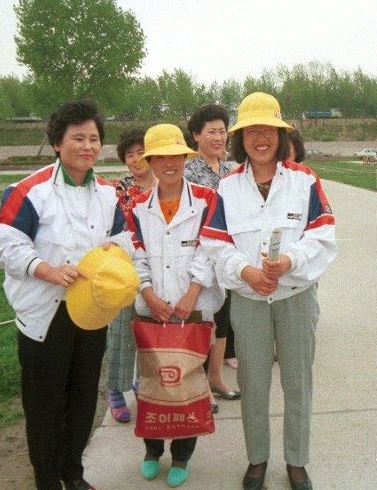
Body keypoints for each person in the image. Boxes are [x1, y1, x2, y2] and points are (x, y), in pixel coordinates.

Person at [0, 100, 133, 490]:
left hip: (90, 311)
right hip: (44, 314)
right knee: (44, 403)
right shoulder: (29, 191)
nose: (87, 146)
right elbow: (7, 246)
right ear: (57, 142)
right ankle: (47, 479)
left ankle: (74, 471)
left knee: (84, 394)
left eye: (94, 139)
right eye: (77, 138)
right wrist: (47, 269)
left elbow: (123, 238)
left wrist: (115, 251)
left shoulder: (107, 193)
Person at [202, 92, 337, 490]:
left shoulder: (304, 179)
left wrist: (289, 261)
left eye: (269, 130)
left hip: (295, 297)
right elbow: (214, 242)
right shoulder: (226, 186)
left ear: (281, 135)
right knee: (254, 385)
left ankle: (297, 462)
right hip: (248, 301)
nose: (260, 137)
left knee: (298, 384)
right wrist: (245, 270)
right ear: (240, 138)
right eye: (251, 130)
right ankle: (257, 459)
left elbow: (323, 234)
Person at [127, 123, 223, 488]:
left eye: (175, 156)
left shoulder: (206, 199)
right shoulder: (136, 205)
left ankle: (182, 455)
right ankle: (152, 450)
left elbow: (212, 247)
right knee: (153, 382)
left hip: (193, 307)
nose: (169, 163)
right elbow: (133, 253)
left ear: (185, 157)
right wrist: (148, 293)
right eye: (160, 156)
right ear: (150, 160)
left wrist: (192, 293)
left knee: (187, 383)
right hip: (150, 308)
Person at [184, 103, 240, 408]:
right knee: (204, 321)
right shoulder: (188, 170)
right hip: (199, 253)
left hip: (228, 255)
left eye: (222, 131)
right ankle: (197, 384)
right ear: (196, 135)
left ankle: (216, 378)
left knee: (223, 318)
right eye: (211, 132)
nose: (218, 137)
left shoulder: (230, 169)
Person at [104, 128, 155, 423]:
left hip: (158, 268)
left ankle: (141, 382)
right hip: (124, 268)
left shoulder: (165, 185)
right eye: (129, 155)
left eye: (140, 153)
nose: (135, 160)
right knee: (121, 331)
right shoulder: (118, 190)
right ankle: (115, 390)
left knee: (148, 331)